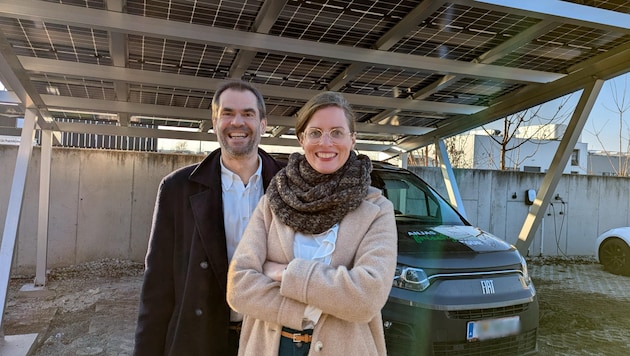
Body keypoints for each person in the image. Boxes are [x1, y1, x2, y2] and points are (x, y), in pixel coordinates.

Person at [227, 91, 397, 356]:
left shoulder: (376, 210)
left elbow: (366, 299)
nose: (325, 142)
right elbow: (239, 287)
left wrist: (284, 273)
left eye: (337, 132)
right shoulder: (275, 200)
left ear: (353, 139)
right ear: (302, 139)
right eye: (315, 132)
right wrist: (310, 308)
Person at [133, 80, 284, 356]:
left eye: (248, 114)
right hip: (200, 339)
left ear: (263, 124)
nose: (237, 122)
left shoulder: (289, 183)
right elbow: (158, 285)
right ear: (214, 122)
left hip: (271, 338)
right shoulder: (177, 188)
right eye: (227, 113)